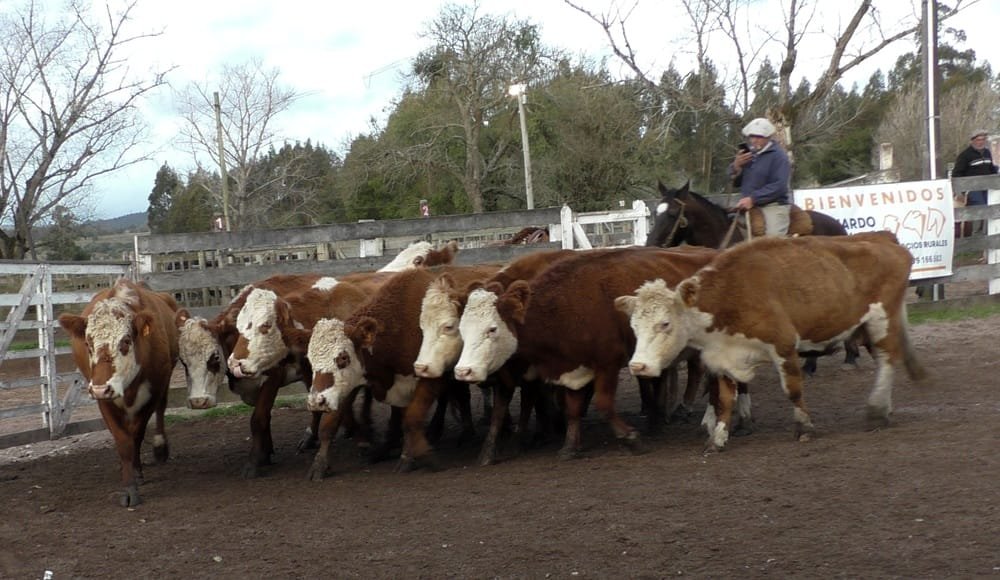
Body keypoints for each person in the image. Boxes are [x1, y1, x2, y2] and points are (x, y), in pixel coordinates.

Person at [728, 117, 791, 237]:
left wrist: (753, 199)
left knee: (772, 240)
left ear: (768, 137)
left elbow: (779, 186)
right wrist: (736, 166)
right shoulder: (749, 154)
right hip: (747, 204)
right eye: (752, 136)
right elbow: (735, 181)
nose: (754, 140)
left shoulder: (779, 156)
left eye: (759, 137)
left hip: (773, 206)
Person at [952, 129, 996, 207]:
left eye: (983, 139)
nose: (981, 142)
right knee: (980, 206)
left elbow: (992, 169)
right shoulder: (965, 155)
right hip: (972, 189)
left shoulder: (987, 153)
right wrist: (959, 192)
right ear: (972, 141)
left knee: (990, 207)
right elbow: (957, 174)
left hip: (987, 187)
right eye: (978, 140)